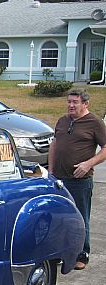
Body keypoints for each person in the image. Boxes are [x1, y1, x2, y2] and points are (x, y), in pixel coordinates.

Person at [48, 88, 106, 270]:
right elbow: (54, 145)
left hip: (80, 181)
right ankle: (60, 252)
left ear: (85, 104)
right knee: (59, 217)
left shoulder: (94, 123)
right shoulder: (63, 121)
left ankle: (82, 254)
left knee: (80, 217)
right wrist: (50, 170)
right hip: (59, 179)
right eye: (69, 102)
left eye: (75, 102)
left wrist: (89, 163)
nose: (71, 105)